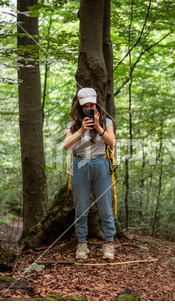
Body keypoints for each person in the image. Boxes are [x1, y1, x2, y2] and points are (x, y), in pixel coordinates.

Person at [64, 87, 116, 260]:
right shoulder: (73, 126)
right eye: (85, 105)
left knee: (106, 208)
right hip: (80, 164)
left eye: (92, 105)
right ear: (79, 107)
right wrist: (82, 130)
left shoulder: (106, 122)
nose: (89, 108)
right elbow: (66, 146)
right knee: (81, 208)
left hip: (101, 163)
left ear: (97, 105)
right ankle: (81, 245)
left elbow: (112, 142)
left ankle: (109, 244)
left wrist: (98, 127)